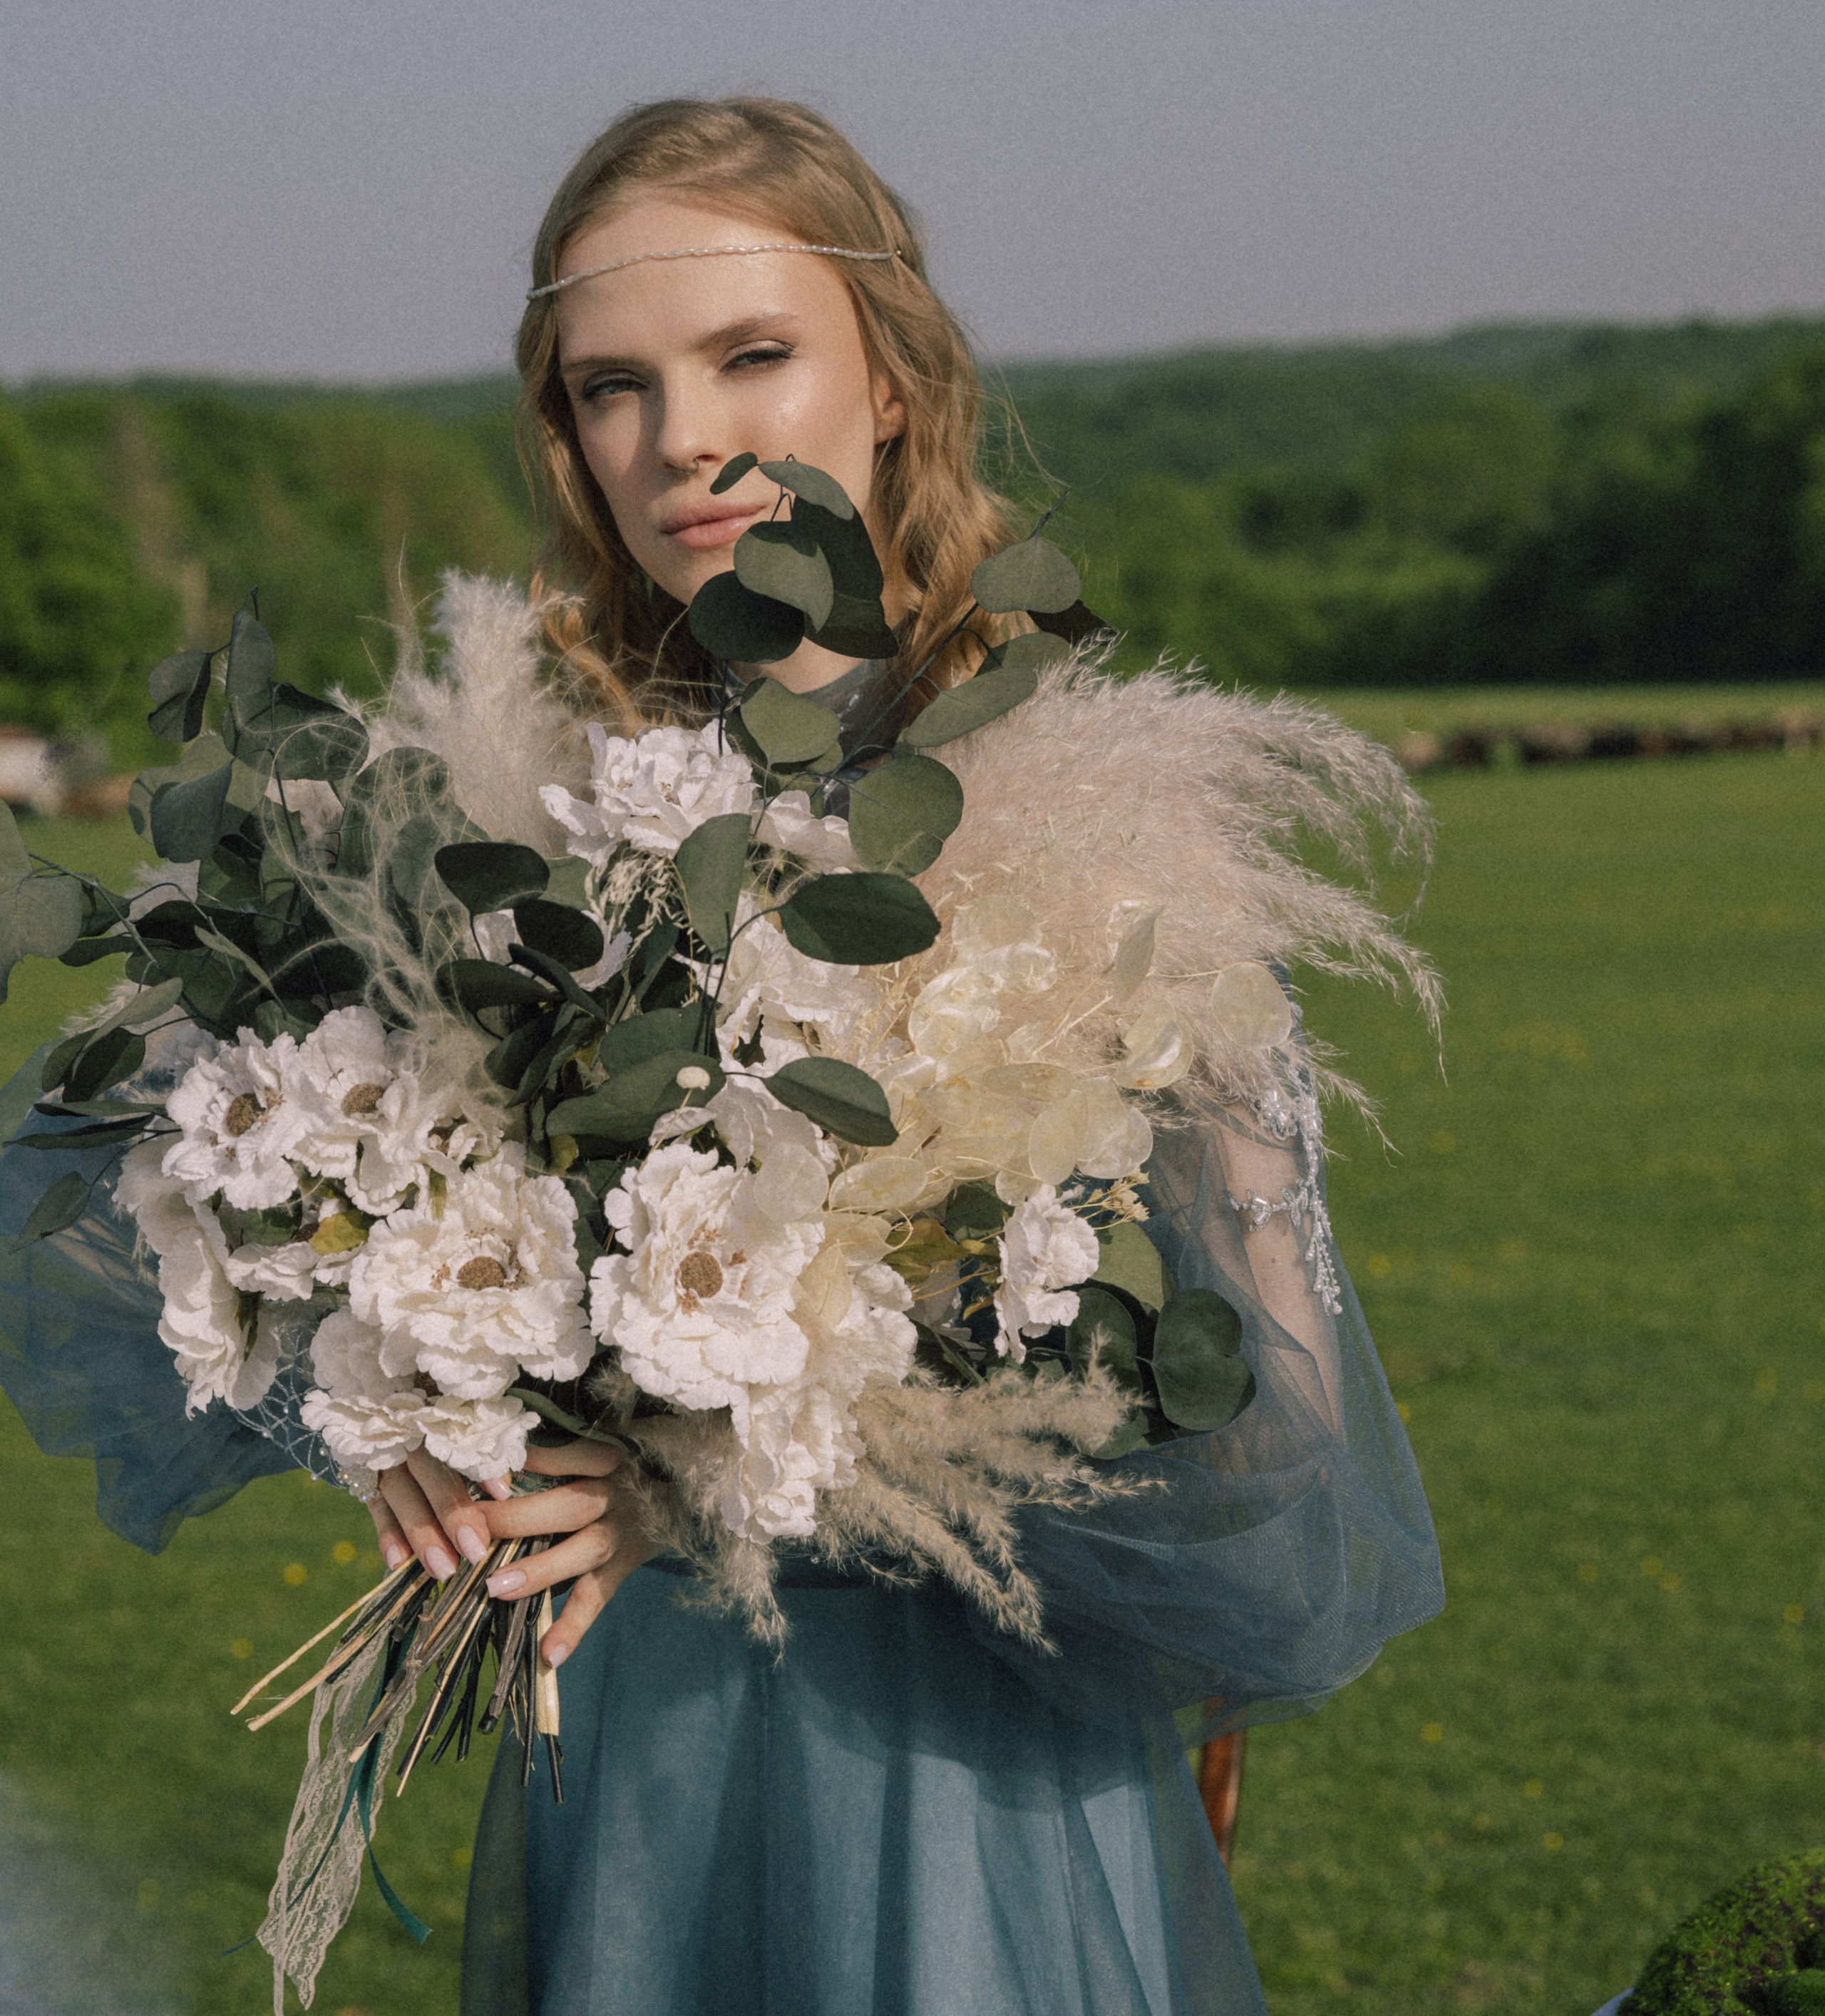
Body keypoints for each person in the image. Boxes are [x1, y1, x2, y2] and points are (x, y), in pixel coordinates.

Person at [0, 96, 1444, 2015]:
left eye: (751, 354)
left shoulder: (1115, 837)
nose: (679, 436)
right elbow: (125, 1180)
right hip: (640, 1760)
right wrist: (389, 1402)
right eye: (611, 384)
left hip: (962, 1780)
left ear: (896, 380)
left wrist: (740, 1466)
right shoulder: (488, 828)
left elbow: (1285, 1477)